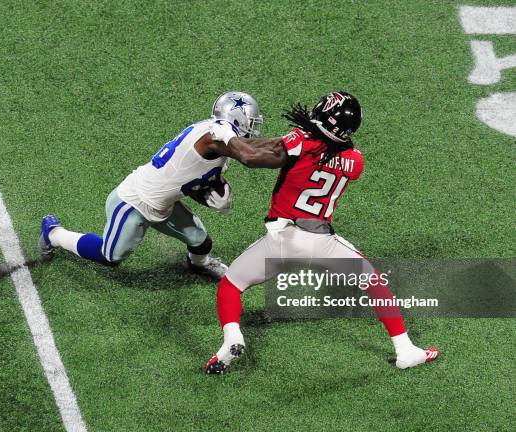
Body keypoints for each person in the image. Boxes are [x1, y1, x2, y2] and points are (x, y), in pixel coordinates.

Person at [204, 91, 440, 373]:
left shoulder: (301, 141)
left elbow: (257, 157)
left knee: (231, 286)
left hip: (280, 239)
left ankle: (232, 337)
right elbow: (325, 153)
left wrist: (228, 140)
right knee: (374, 282)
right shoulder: (355, 161)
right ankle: (405, 350)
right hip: (320, 242)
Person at [38, 91, 283, 279]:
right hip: (134, 202)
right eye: (250, 122)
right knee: (110, 257)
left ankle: (197, 264)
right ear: (235, 119)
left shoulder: (218, 142)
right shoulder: (215, 133)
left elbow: (189, 183)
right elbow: (250, 156)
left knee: (201, 241)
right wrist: (291, 151)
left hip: (164, 205)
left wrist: (210, 193)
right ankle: (53, 234)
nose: (253, 129)